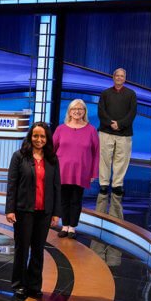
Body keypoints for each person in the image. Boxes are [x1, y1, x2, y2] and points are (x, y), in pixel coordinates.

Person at [5, 122, 61, 299]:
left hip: (44, 212)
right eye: (35, 136)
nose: (39, 139)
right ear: (30, 136)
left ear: (47, 138)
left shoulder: (52, 159)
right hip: (23, 210)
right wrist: (10, 210)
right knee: (22, 249)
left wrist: (56, 212)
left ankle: (34, 285)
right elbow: (12, 185)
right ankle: (19, 284)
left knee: (38, 249)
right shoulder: (19, 156)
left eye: (42, 136)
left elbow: (56, 187)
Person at [52, 99, 99, 238]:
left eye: (80, 109)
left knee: (76, 200)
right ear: (69, 112)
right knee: (64, 199)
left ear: (85, 112)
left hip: (81, 171)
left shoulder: (91, 130)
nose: (77, 111)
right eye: (74, 109)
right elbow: (52, 150)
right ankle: (64, 226)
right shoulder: (61, 129)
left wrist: (93, 172)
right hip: (62, 170)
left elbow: (96, 153)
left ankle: (72, 227)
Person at [97, 67, 137, 196]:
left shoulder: (131, 94)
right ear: (113, 77)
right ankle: (103, 184)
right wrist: (110, 123)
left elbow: (132, 113)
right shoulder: (105, 93)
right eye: (117, 76)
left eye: (122, 76)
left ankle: (117, 184)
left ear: (125, 79)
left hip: (124, 133)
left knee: (122, 160)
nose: (119, 78)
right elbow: (101, 112)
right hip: (106, 132)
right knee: (104, 159)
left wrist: (119, 124)